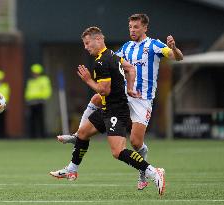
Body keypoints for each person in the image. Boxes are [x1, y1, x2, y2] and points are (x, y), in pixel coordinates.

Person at [57, 14, 183, 190]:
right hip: (124, 94)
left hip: (143, 99)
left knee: (136, 142)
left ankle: (144, 171)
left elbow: (177, 57)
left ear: (145, 28)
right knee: (96, 99)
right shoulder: (127, 47)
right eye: (130, 27)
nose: (132, 30)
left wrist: (174, 49)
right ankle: (78, 134)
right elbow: (112, 61)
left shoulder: (154, 45)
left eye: (136, 27)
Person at [25, 63, 52, 138]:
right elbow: (28, 91)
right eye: (33, 73)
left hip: (40, 102)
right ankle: (32, 136)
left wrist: (43, 97)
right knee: (32, 120)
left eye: (35, 73)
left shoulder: (44, 80)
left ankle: (42, 135)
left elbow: (47, 90)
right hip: (31, 103)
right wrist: (27, 99)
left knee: (40, 119)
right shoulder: (30, 81)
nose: (34, 74)